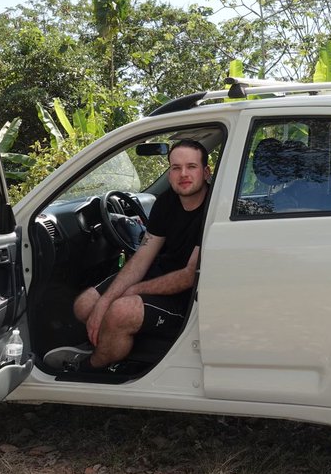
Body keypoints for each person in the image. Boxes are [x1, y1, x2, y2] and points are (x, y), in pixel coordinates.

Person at [43, 139, 211, 372]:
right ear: (170, 172)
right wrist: (104, 302)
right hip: (158, 275)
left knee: (120, 311)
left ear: (206, 172)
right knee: (85, 305)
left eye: (191, 167)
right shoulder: (166, 202)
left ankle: (91, 365)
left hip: (185, 297)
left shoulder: (212, 208)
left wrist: (133, 291)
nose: (183, 174)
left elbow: (188, 276)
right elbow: (143, 257)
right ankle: (112, 343)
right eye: (176, 167)